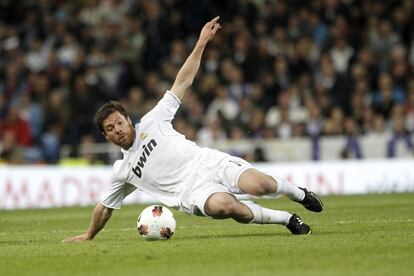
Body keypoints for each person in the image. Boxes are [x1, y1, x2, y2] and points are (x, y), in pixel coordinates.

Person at [63, 17, 323, 243]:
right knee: (228, 207)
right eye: (110, 128)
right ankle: (287, 219)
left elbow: (182, 81)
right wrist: (89, 234)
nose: (117, 129)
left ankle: (299, 194)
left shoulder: (153, 120)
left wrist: (201, 43)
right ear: (105, 136)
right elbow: (104, 208)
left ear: (129, 120)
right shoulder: (123, 171)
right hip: (192, 193)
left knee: (261, 185)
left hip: (208, 163)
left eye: (119, 122)